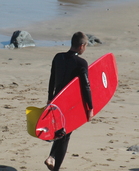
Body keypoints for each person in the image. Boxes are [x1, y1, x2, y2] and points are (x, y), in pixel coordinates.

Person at [44, 32, 94, 171]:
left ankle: (52, 157)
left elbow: (52, 78)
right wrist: (90, 107)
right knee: (66, 134)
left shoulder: (58, 57)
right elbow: (86, 86)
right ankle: (54, 162)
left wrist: (49, 98)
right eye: (86, 46)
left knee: (61, 132)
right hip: (70, 103)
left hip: (56, 100)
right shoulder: (81, 63)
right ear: (82, 46)